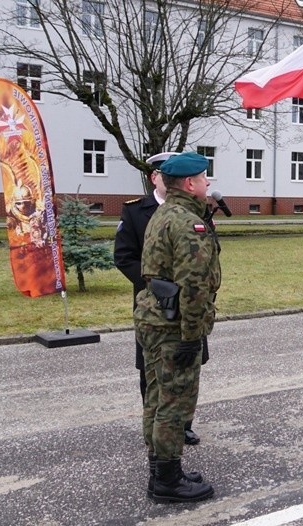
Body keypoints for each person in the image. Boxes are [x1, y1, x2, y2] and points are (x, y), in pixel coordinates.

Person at [134, 152, 221, 503]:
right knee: (174, 402)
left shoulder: (164, 213)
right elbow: (194, 284)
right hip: (174, 327)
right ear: (189, 184)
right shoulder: (186, 223)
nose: (207, 183)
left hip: (154, 319)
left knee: (156, 398)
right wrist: (192, 336)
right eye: (203, 178)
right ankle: (167, 482)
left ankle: (162, 468)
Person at [114, 152, 205, 446]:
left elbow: (200, 259)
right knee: (154, 374)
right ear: (155, 177)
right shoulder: (138, 211)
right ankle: (161, 442)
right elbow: (125, 257)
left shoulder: (194, 213)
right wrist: (158, 286)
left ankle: (180, 427)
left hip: (183, 308)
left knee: (184, 375)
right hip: (160, 307)